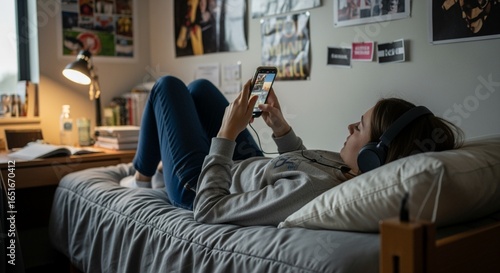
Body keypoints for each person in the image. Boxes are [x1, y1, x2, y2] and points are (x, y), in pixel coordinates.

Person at [120, 75, 463, 226]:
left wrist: (226, 133)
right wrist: (282, 130)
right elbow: (299, 162)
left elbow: (209, 210)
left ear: (375, 154)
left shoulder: (313, 190)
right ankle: (150, 167)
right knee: (200, 89)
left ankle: (141, 175)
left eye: (359, 127)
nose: (349, 128)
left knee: (167, 86)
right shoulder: (345, 168)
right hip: (245, 162)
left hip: (200, 184)